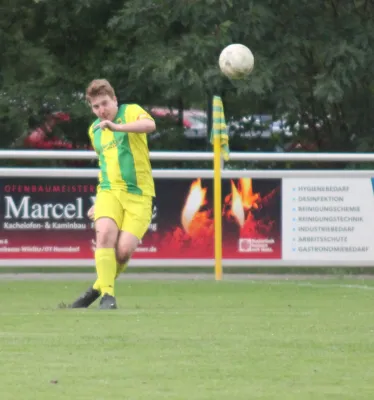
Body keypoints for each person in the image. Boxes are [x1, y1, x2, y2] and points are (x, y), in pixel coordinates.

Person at [69, 78, 156, 309]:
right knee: (105, 233)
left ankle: (96, 288)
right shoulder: (94, 130)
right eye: (96, 107)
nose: (101, 110)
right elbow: (105, 166)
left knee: (123, 251)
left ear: (115, 100)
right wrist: (99, 202)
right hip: (109, 191)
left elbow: (150, 125)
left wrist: (117, 127)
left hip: (139, 194)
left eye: (105, 104)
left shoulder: (130, 112)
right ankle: (108, 296)